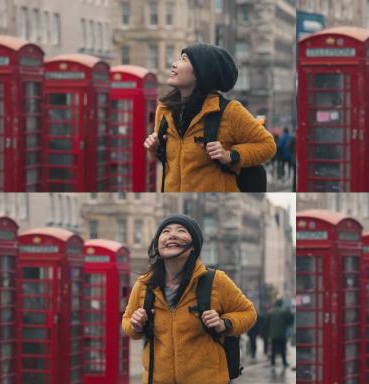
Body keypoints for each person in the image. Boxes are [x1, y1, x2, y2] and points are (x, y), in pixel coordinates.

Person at [122, 214, 257, 383]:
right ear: (157, 245)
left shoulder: (215, 280)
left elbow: (249, 312)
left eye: (181, 231)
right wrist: (135, 324)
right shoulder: (144, 285)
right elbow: (127, 322)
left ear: (193, 246)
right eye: (165, 231)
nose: (172, 235)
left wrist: (224, 323)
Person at [143, 44, 276, 192]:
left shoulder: (230, 111)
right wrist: (153, 149)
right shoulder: (164, 109)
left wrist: (231, 155)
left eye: (184, 59)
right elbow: (161, 158)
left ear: (201, 73)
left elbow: (268, 145)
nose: (174, 64)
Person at [266, 298, 294, 367]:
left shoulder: (270, 312)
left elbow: (267, 323)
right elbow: (289, 321)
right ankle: (284, 363)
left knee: (273, 349)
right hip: (282, 334)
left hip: (273, 334)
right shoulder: (283, 312)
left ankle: (273, 362)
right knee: (282, 349)